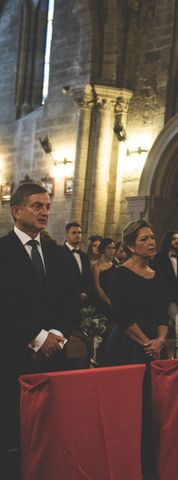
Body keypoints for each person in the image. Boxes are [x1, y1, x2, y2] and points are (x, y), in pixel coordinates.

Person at [0, 183, 79, 467]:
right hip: (12, 358)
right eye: (37, 206)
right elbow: (5, 304)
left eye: (47, 206)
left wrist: (56, 335)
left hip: (53, 357)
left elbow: (71, 299)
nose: (45, 212)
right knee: (13, 437)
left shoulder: (58, 253)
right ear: (16, 210)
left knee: (50, 433)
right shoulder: (3, 250)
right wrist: (36, 337)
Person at [103, 220, 168, 476]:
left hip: (154, 348)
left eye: (152, 237)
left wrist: (159, 341)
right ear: (130, 246)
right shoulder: (120, 274)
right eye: (144, 239)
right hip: (126, 348)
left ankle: (148, 468)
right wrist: (146, 343)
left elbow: (163, 315)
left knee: (151, 412)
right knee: (126, 413)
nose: (151, 242)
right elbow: (123, 316)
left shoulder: (157, 275)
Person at [151, 230, 178, 326]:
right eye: (174, 238)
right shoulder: (159, 257)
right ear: (168, 240)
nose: (177, 241)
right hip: (164, 298)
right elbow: (157, 279)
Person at [63, 221, 93, 303]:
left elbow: (88, 277)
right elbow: (61, 278)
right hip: (66, 299)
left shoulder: (85, 256)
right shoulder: (60, 253)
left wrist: (85, 293)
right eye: (74, 233)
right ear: (66, 235)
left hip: (84, 300)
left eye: (79, 233)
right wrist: (76, 294)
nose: (77, 235)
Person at [91, 237, 117, 318]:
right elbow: (97, 286)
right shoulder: (96, 266)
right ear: (103, 249)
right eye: (108, 248)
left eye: (113, 248)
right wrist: (108, 301)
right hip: (100, 300)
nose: (112, 251)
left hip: (113, 298)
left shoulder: (115, 265)